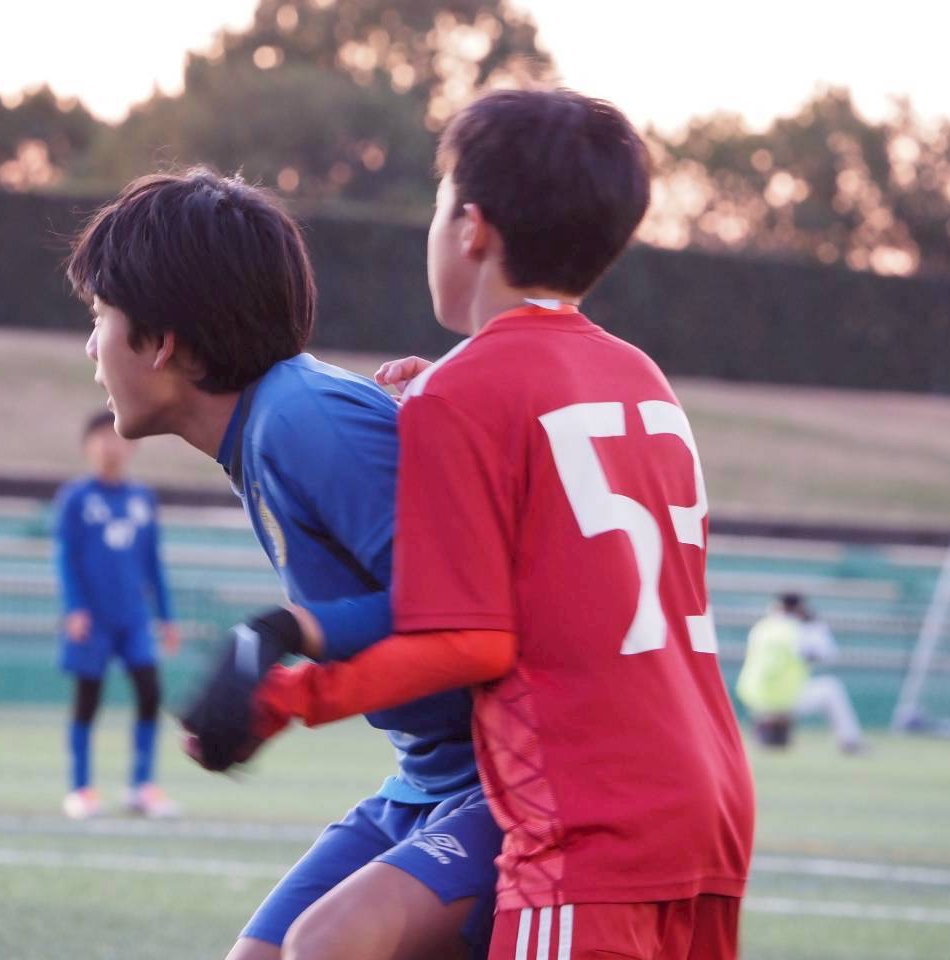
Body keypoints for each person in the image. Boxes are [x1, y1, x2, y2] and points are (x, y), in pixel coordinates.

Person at [188, 88, 757, 960]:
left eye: (437, 201)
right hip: (707, 782)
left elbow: (473, 639)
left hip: (589, 801)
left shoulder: (462, 390)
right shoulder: (639, 375)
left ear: (472, 229)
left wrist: (295, 693)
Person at [65, 169, 501, 960]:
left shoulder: (303, 418)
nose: (92, 348)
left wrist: (281, 635)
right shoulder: (269, 428)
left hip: (504, 784)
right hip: (425, 783)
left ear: (163, 341)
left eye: (100, 317)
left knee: (325, 946)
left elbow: (465, 608)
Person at [54, 410, 180, 819]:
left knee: (150, 692)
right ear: (87, 446)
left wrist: (167, 616)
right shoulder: (75, 498)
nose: (112, 447)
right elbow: (66, 558)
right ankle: (81, 789)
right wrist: (74, 609)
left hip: (134, 620)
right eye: (102, 438)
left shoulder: (143, 498)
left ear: (134, 445)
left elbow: (153, 562)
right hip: (93, 620)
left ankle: (142, 786)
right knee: (87, 699)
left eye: (119, 438)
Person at [736, 592, 865, 753]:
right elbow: (826, 655)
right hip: (784, 697)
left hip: (753, 697)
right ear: (800, 608)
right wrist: (816, 626)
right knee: (831, 688)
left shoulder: (761, 627)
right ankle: (850, 741)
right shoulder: (797, 630)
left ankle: (766, 726)